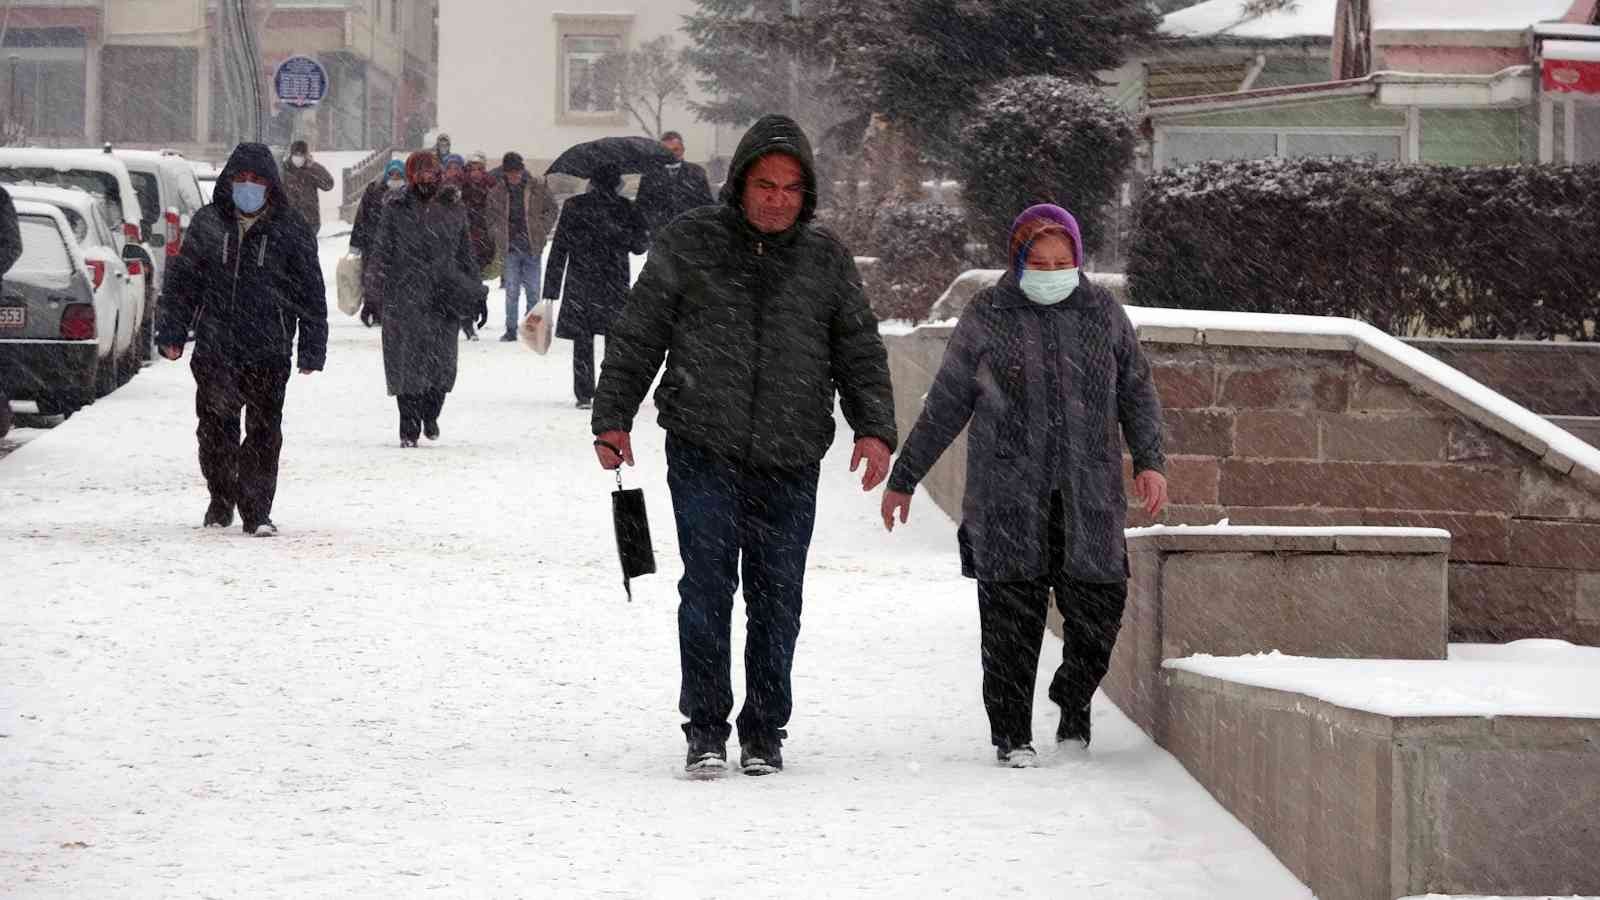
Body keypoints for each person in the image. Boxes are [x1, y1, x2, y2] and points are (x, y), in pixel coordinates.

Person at [591, 114, 898, 777]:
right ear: (740, 184)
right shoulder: (689, 243)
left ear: (806, 194)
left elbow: (859, 346)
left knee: (777, 595)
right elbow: (640, 331)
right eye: (765, 184)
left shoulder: (826, 261)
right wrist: (613, 415)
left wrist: (874, 426)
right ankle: (704, 728)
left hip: (791, 455)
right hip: (704, 446)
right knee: (706, 590)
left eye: (791, 188)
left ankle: (764, 730)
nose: (777, 199)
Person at [879, 203, 1169, 768]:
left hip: (1089, 497)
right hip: (1008, 496)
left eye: (1063, 261)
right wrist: (905, 476)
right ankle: (1012, 734)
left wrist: (1150, 460)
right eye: (1039, 261)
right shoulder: (988, 314)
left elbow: (1137, 391)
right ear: (1017, 260)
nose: (1052, 270)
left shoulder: (1103, 313)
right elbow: (945, 404)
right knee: (1010, 625)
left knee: (1099, 616)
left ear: (1079, 261)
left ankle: (1072, 698)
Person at [155, 142, 328, 537]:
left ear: (270, 185)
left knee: (264, 432)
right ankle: (221, 497)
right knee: (215, 429)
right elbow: (183, 284)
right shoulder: (208, 224)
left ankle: (257, 511)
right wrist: (173, 332)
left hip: (269, 347)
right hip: (217, 346)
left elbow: (310, 294)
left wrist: (312, 347)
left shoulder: (291, 228)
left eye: (256, 180)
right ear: (229, 182)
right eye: (241, 179)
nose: (248, 186)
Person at [362, 151, 479, 447]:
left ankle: (431, 413)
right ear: (412, 175)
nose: (428, 177)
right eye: (421, 171)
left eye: (432, 171)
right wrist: (372, 295)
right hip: (404, 296)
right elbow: (381, 252)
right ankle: (408, 426)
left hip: (445, 295)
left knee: (442, 367)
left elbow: (466, 253)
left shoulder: (453, 207)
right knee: (405, 365)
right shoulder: (396, 208)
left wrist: (476, 294)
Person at [542, 164, 648, 409]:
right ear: (617, 183)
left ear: (592, 181)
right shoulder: (626, 208)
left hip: (581, 280)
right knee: (614, 340)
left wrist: (551, 287)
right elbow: (639, 246)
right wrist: (621, 232)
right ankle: (611, 390)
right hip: (614, 281)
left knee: (583, 339)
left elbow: (560, 248)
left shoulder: (573, 205)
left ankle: (584, 393)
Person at [486, 151, 557, 342]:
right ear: (505, 173)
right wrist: (497, 233)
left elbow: (552, 209)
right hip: (510, 249)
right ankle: (511, 329)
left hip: (532, 247)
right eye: (510, 173)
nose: (514, 177)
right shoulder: (498, 191)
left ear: (522, 170)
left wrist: (542, 228)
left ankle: (532, 330)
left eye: (516, 172)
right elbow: (490, 216)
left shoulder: (537, 186)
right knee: (511, 291)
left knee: (533, 291)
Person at [351, 160, 407, 328]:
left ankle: (391, 311)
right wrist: (356, 242)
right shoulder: (374, 191)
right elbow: (361, 217)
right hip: (373, 242)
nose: (395, 179)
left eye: (399, 176)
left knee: (395, 278)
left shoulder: (408, 195)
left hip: (399, 245)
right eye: (392, 175)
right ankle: (373, 308)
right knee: (372, 277)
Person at [634, 130, 714, 239]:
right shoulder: (649, 175)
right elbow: (642, 205)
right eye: (666, 150)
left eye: (676, 149)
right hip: (660, 236)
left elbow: (706, 203)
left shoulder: (696, 172)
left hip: (691, 234)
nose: (671, 153)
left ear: (683, 150)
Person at [280, 139, 335, 234]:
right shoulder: (284, 169)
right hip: (288, 221)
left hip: (310, 221)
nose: (298, 158)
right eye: (296, 155)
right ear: (291, 155)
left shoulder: (312, 169)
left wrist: (313, 167)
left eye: (301, 155)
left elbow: (328, 185)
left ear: (306, 156)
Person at [461, 152, 496, 273]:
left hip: (484, 240)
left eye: (479, 169)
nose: (476, 173)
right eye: (472, 169)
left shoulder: (491, 186)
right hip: (465, 238)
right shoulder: (461, 186)